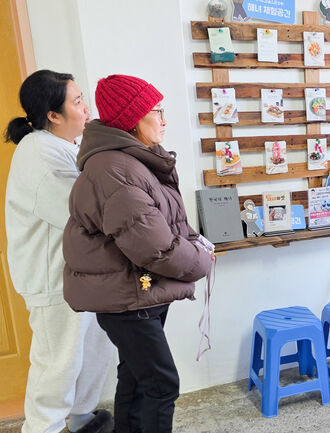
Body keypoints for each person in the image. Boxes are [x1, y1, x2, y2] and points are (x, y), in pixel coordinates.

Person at [62, 74, 214, 433]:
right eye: (156, 111)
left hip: (138, 291)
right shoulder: (116, 170)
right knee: (162, 384)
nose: (164, 120)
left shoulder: (134, 161)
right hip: (130, 296)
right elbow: (155, 248)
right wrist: (201, 261)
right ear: (132, 119)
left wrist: (197, 242)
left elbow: (167, 222)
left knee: (135, 376)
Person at [4, 70, 114, 433]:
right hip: (53, 280)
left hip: (81, 275)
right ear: (53, 114)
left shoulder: (64, 145)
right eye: (77, 101)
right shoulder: (39, 153)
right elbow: (80, 211)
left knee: (92, 352)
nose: (86, 108)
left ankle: (82, 420)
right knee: (58, 364)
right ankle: (42, 428)